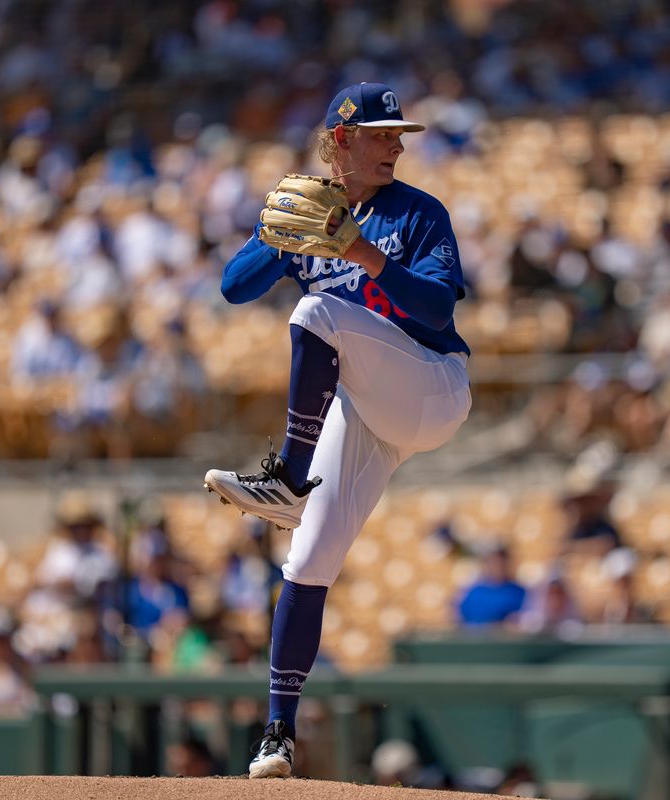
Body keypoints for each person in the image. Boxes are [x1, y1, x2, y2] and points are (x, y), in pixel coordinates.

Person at [204, 82, 470, 779]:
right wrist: (277, 234)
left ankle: (289, 479)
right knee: (307, 562)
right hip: (367, 406)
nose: (396, 145)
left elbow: (438, 312)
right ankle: (278, 734)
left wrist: (364, 254)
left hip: (432, 386)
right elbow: (233, 289)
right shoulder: (316, 208)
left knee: (316, 314)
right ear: (340, 142)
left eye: (398, 135)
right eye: (381, 134)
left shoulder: (418, 212)